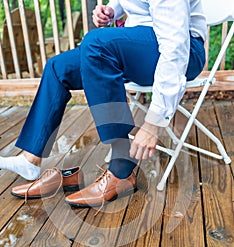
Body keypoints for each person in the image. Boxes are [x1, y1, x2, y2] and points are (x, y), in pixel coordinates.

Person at [0, 0, 207, 208]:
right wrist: (112, 10)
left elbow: (175, 50)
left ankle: (121, 168)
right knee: (58, 67)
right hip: (142, 42)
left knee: (96, 43)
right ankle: (30, 159)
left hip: (185, 49)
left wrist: (153, 122)